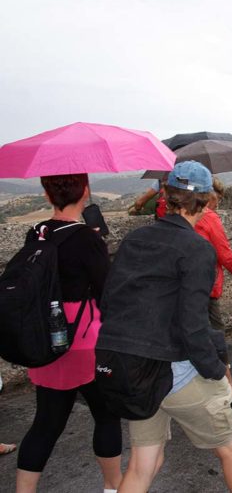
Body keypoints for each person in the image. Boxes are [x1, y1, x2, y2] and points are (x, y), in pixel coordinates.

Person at [97, 161, 232, 493]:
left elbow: (109, 303)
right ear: (205, 199)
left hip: (132, 371)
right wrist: (215, 372)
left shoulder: (135, 239)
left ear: (168, 196)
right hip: (174, 372)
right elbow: (193, 325)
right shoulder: (197, 248)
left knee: (144, 464)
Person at [16, 174, 122, 493]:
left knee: (46, 424)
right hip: (84, 339)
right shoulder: (87, 239)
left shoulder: (35, 233)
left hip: (47, 336)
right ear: (85, 192)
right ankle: (114, 487)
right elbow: (108, 292)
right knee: (106, 415)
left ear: (47, 194)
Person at [195, 177, 232, 406]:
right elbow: (225, 254)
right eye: (216, 199)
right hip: (205, 286)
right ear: (207, 195)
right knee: (216, 336)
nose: (218, 204)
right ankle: (229, 387)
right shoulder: (208, 218)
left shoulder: (172, 216)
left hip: (183, 287)